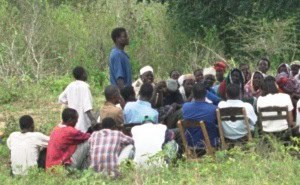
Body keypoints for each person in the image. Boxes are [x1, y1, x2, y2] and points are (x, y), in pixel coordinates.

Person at [182, 82, 219, 153]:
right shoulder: (214, 109)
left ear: (192, 93)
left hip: (191, 143)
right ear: (206, 93)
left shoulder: (185, 107)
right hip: (210, 143)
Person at [59, 66, 96, 132]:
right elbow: (87, 107)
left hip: (73, 120)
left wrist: (71, 101)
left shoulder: (70, 85)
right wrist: (93, 120)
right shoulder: (85, 86)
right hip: (83, 122)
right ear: (83, 74)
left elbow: (61, 98)